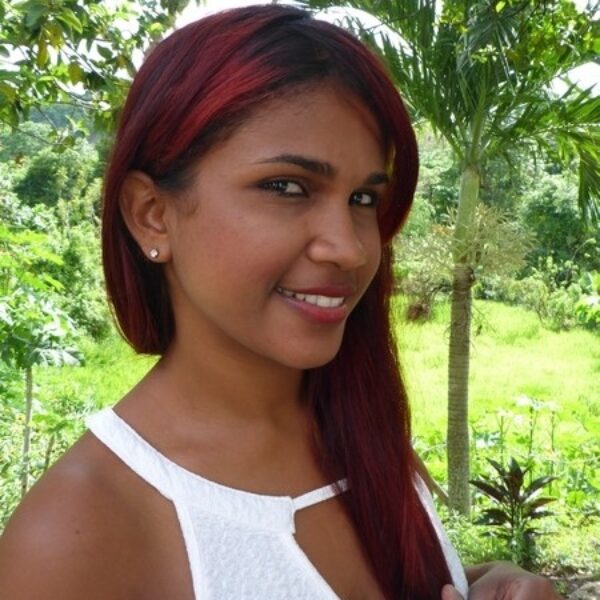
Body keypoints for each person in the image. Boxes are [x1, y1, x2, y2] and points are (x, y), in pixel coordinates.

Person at [0, 5, 561, 599]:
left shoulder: (360, 434)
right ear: (152, 215)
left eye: (364, 199)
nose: (349, 248)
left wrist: (478, 582)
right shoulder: (74, 538)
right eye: (286, 187)